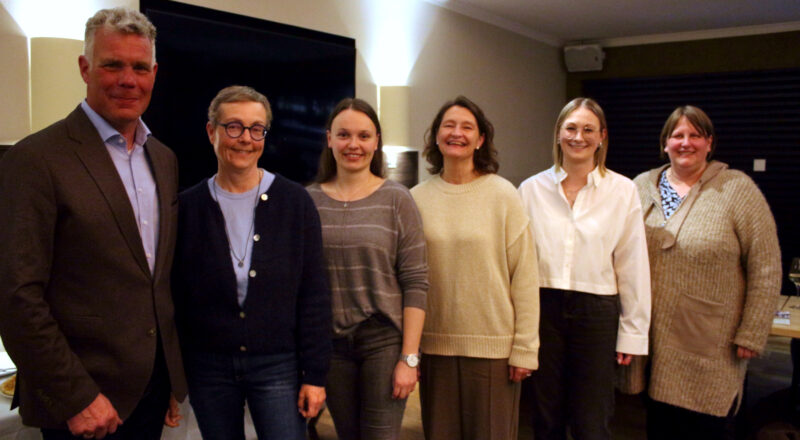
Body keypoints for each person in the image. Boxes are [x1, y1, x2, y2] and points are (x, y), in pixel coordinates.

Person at [0, 8, 186, 439]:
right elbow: (16, 296)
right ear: (85, 68)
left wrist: (170, 375)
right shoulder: (35, 160)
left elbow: (154, 280)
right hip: (83, 402)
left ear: (154, 73)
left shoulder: (164, 158)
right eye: (112, 65)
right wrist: (76, 397)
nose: (128, 79)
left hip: (151, 389)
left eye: (140, 67)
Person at [171, 85, 331, 440]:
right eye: (234, 126)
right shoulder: (187, 207)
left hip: (278, 364)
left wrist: (315, 376)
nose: (246, 138)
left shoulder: (295, 202)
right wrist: (175, 377)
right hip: (208, 366)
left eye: (256, 128)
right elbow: (176, 298)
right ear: (211, 131)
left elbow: (315, 294)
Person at [625, 105, 781, 440]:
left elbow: (766, 264)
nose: (686, 143)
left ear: (709, 143)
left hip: (709, 339)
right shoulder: (640, 187)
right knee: (660, 423)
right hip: (652, 338)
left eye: (695, 135)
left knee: (705, 426)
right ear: (665, 143)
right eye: (677, 135)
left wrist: (752, 331)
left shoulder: (736, 189)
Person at [517, 97, 651, 440]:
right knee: (545, 415)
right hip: (542, 307)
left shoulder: (623, 191)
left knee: (592, 418)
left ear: (602, 136)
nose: (579, 136)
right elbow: (517, 263)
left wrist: (633, 332)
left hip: (597, 312)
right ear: (559, 134)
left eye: (588, 129)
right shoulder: (531, 190)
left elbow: (633, 263)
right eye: (571, 128)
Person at [410, 96, 539, 440]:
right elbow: (407, 278)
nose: (457, 133)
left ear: (480, 140)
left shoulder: (503, 194)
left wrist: (525, 348)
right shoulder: (416, 199)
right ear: (436, 137)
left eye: (467, 127)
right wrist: (409, 349)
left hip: (494, 351)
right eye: (448, 126)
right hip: (434, 347)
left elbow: (524, 277)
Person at [307, 98, 428, 439]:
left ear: (376, 142)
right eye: (344, 135)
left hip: (383, 341)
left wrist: (409, 358)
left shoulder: (397, 198)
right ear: (329, 139)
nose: (353, 145)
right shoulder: (309, 200)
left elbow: (416, 280)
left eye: (363, 136)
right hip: (331, 344)